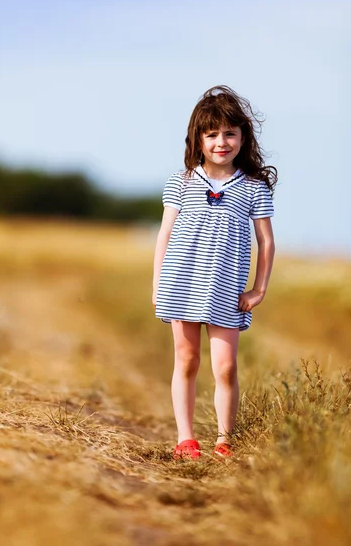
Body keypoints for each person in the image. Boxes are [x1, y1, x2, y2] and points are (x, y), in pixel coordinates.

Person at [152, 85, 277, 461]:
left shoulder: (254, 187)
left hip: (227, 291)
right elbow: (165, 234)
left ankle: (224, 441)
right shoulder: (182, 181)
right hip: (181, 284)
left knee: (225, 366)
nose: (221, 142)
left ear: (242, 137)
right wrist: (157, 285)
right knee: (187, 360)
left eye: (229, 133)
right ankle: (185, 439)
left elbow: (266, 243)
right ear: (199, 139)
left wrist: (259, 289)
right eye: (212, 134)